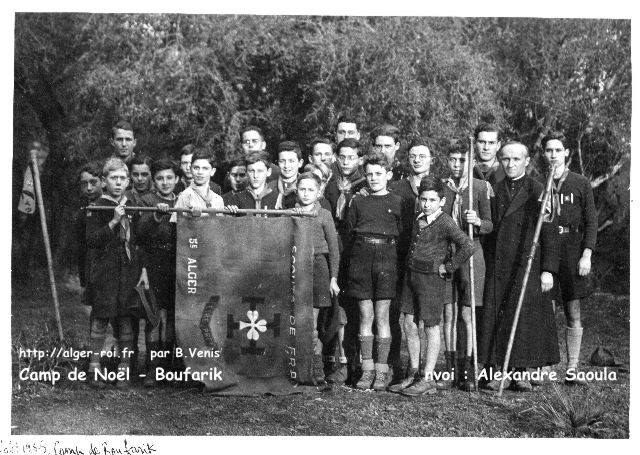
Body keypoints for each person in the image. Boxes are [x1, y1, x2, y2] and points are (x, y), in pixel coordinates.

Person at [478, 141, 560, 392]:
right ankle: (497, 371)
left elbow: (549, 233)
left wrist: (548, 269)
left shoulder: (540, 189)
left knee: (524, 318)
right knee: (497, 315)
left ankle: (521, 371)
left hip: (528, 264)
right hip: (500, 263)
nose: (510, 164)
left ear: (526, 161)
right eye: (505, 159)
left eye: (516, 159)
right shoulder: (495, 189)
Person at [390, 176, 474, 396]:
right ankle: (415, 373)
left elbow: (467, 245)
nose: (426, 204)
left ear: (442, 201)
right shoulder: (419, 217)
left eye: (431, 200)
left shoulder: (445, 221)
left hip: (432, 281)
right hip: (412, 277)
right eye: (423, 199)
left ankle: (428, 378)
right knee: (408, 322)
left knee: (431, 326)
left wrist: (449, 266)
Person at [538, 131, 597, 386]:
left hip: (573, 250)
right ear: (544, 155)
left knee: (573, 309)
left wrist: (587, 254)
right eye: (549, 151)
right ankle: (546, 365)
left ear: (566, 153)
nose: (553, 155)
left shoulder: (580, 182)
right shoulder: (539, 183)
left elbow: (591, 221)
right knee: (546, 310)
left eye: (557, 150)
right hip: (547, 250)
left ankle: (572, 367)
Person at [85, 158, 148, 388]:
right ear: (104, 181)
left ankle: (124, 369)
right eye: (113, 178)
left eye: (122, 178)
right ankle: (94, 368)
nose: (118, 183)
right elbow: (92, 240)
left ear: (128, 181)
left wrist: (141, 269)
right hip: (105, 271)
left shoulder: (133, 204)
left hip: (128, 271)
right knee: (101, 316)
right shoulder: (97, 207)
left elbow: (139, 240)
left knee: (125, 318)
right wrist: (114, 221)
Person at [345, 152, 404, 390]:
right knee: (365, 315)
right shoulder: (357, 201)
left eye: (378, 174)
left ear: (388, 174)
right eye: (368, 174)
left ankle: (381, 370)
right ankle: (366, 369)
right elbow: (350, 232)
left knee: (382, 317)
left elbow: (402, 232)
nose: (373, 178)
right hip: (361, 257)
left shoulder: (398, 202)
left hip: (386, 261)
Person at [441, 143, 493, 391]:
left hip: (472, 252)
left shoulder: (480, 188)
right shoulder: (442, 187)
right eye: (453, 160)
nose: (457, 165)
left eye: (462, 160)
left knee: (467, 313)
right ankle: (451, 368)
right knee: (449, 313)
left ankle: (469, 369)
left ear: (471, 162)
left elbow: (490, 225)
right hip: (446, 253)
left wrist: (478, 221)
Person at [387, 136, 433, 384]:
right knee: (404, 315)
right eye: (413, 156)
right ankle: (403, 366)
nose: (417, 160)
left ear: (431, 160)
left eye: (422, 156)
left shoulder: (437, 188)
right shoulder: (397, 188)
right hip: (401, 257)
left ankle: (429, 370)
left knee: (430, 319)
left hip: (428, 262)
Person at [292, 172, 340, 385]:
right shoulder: (290, 213)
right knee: (296, 319)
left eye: (311, 189)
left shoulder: (324, 214)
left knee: (312, 322)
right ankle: (298, 367)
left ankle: (316, 368)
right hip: (295, 267)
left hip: (318, 267)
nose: (306, 193)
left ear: (319, 192)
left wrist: (333, 278)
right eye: (302, 189)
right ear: (296, 189)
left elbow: (334, 248)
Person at [135, 158, 179, 386]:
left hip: (176, 264)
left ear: (177, 179)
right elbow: (139, 232)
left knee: (171, 318)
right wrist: (156, 215)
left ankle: (167, 368)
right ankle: (152, 368)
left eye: (169, 178)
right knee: (153, 318)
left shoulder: (183, 199)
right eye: (160, 178)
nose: (165, 182)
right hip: (153, 263)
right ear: (154, 180)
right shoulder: (147, 200)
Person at [74, 161, 104, 298]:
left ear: (102, 182)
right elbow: (81, 248)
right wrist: (83, 281)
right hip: (92, 268)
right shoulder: (81, 213)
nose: (89, 188)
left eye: (93, 182)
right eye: (84, 184)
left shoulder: (112, 206)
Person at [171, 149, 224, 222]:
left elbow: (220, 227)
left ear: (212, 171)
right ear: (191, 169)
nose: (200, 172)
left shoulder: (218, 199)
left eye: (205, 168)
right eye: (196, 168)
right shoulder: (184, 196)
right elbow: (177, 227)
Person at [225, 150, 280, 215]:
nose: (255, 176)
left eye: (260, 171)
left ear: (268, 172)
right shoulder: (235, 199)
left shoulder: (277, 198)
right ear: (246, 172)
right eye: (251, 171)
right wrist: (229, 213)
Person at [274, 141, 304, 209]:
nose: (286, 166)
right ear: (277, 163)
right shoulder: (270, 188)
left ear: (300, 163)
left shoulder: (307, 187)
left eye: (291, 161)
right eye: (282, 161)